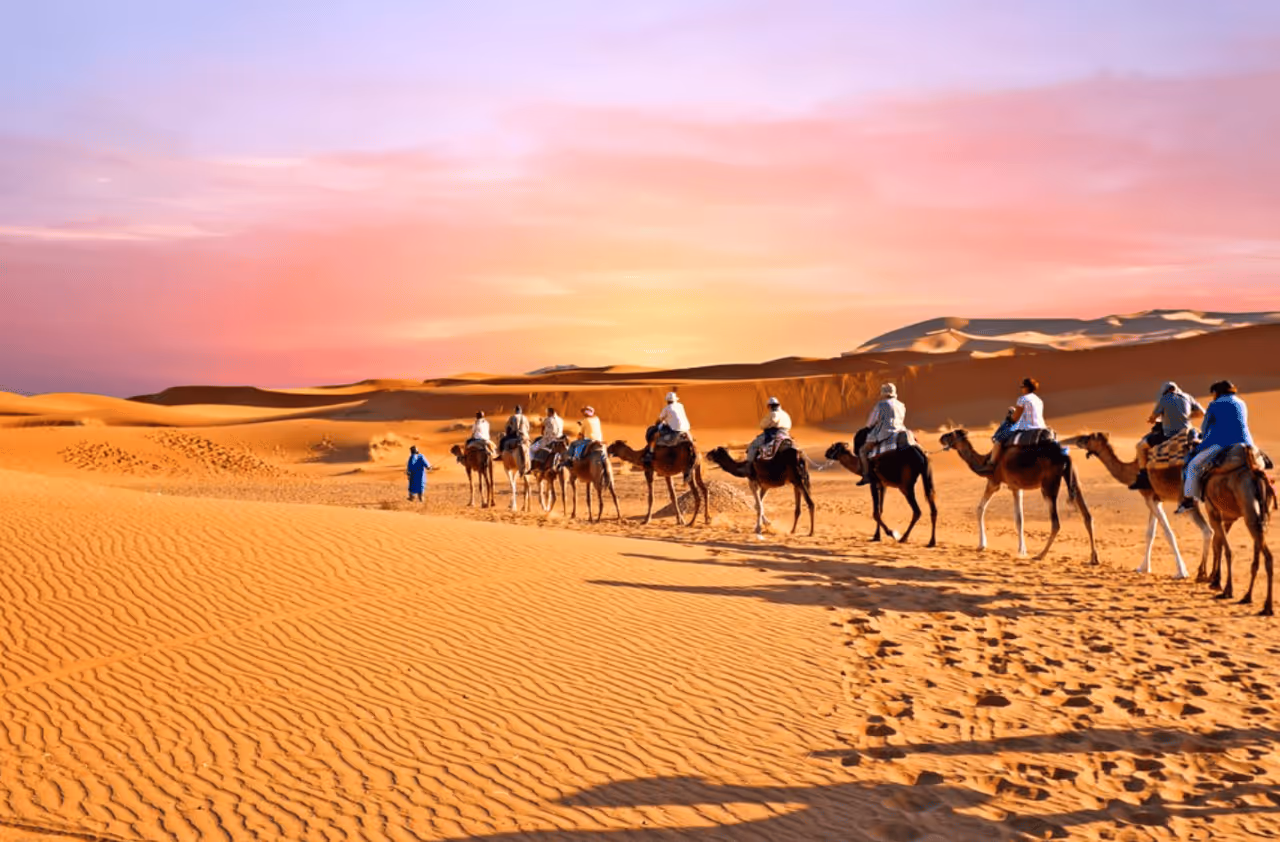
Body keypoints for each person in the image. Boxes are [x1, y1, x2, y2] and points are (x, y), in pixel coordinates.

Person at [1176, 380, 1255, 514]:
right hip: (1247, 443)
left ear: (1217, 393)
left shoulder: (1214, 405)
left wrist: (1201, 439)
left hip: (1222, 443)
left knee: (1193, 466)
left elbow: (1205, 428)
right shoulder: (1242, 403)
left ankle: (1189, 499)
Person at [1129, 381, 1206, 490]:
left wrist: (1153, 420)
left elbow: (1153, 417)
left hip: (1168, 435)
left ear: (1165, 391)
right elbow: (1202, 413)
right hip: (1187, 433)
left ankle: (1144, 476)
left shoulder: (1164, 399)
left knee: (1140, 446)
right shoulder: (1188, 397)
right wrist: (1186, 417)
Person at [979, 377, 1046, 474]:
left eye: (1022, 387)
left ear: (1026, 388)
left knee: (998, 439)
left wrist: (1010, 417)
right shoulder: (1039, 400)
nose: (1022, 389)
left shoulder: (1022, 399)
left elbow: (1015, 418)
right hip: (1041, 427)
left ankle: (992, 464)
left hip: (1026, 427)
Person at [857, 383, 907, 485]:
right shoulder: (901, 405)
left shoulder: (881, 405)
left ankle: (866, 475)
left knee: (863, 451)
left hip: (884, 433)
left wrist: (870, 426)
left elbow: (871, 422)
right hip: (900, 432)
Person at [644, 392, 692, 465]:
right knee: (692, 442)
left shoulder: (666, 409)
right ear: (675, 400)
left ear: (667, 401)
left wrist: (657, 423)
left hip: (675, 432)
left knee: (655, 437)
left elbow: (659, 420)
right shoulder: (681, 406)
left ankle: (650, 454)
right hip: (686, 430)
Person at [748, 397, 791, 461]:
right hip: (786, 434)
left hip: (773, 434)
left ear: (769, 406)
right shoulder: (785, 414)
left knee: (753, 446)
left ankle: (749, 464)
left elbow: (763, 425)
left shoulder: (772, 414)